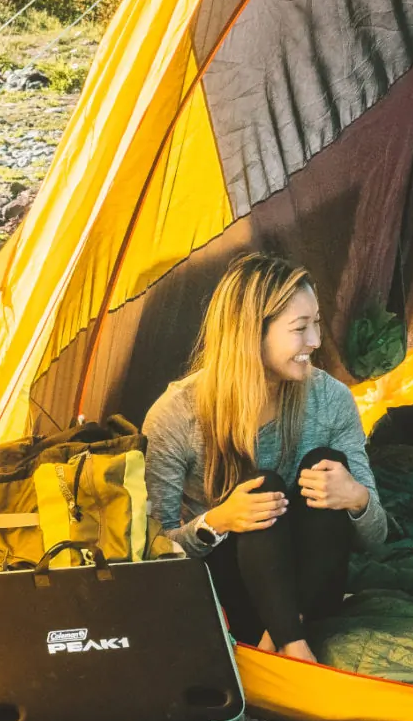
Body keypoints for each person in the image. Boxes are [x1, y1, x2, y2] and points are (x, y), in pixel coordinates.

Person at [145, 252, 389, 661]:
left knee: (325, 462)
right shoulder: (178, 414)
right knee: (263, 488)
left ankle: (282, 642)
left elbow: (377, 536)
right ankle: (292, 646)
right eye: (300, 328)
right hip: (232, 589)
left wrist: (356, 498)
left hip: (311, 588)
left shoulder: (331, 400)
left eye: (316, 323)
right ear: (251, 334)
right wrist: (217, 521)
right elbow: (153, 552)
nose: (315, 341)